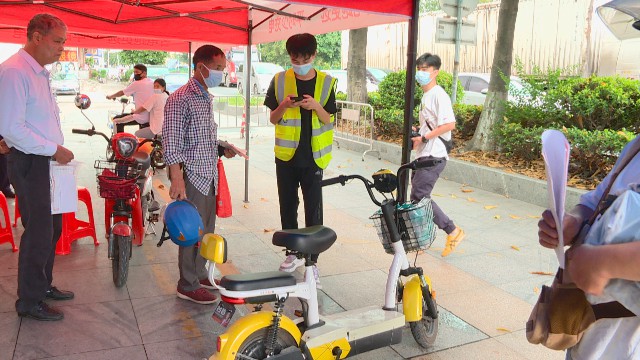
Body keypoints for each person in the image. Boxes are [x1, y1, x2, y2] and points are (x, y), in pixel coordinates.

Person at [0, 13, 75, 321]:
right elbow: (12, 127)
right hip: (32, 161)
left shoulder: (39, 72)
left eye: (64, 42)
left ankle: (42, 285)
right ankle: (28, 301)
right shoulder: (15, 72)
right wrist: (53, 149)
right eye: (57, 41)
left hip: (46, 162)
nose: (61, 48)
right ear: (36, 37)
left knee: (53, 228)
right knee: (39, 232)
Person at [537, 135, 640, 359]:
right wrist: (574, 221)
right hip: (590, 328)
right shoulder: (636, 146)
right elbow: (599, 198)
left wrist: (605, 262)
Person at [162, 44, 237, 305]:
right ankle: (187, 283)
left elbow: (199, 137)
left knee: (206, 230)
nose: (221, 73)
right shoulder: (181, 98)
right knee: (190, 231)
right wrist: (177, 178)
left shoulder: (204, 96)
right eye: (217, 68)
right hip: (192, 174)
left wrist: (221, 148)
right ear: (200, 67)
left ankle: (200, 273)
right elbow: (171, 141)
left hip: (209, 173)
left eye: (222, 69)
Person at [263, 33, 337, 282]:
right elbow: (273, 118)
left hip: (314, 157)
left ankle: (312, 262)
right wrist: (284, 105)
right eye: (294, 57)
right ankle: (292, 252)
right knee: (287, 204)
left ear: (313, 55)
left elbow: (329, 119)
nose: (298, 62)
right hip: (285, 156)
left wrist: (315, 106)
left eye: (303, 57)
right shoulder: (280, 80)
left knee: (313, 208)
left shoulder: (327, 82)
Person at [409, 52, 465, 257]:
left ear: (436, 72)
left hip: (434, 154)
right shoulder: (426, 95)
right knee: (417, 198)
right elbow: (432, 124)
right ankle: (421, 240)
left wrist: (424, 138)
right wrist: (420, 132)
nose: (421, 73)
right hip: (425, 153)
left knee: (420, 197)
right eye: (419, 69)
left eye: (425, 69)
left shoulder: (438, 94)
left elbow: (449, 124)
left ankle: (453, 231)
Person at [106, 63, 154, 133]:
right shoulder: (152, 82)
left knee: (116, 121)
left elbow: (122, 92)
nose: (135, 74)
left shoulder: (137, 83)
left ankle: (120, 142)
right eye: (134, 72)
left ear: (144, 73)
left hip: (140, 117)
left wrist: (111, 96)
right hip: (150, 116)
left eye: (137, 72)